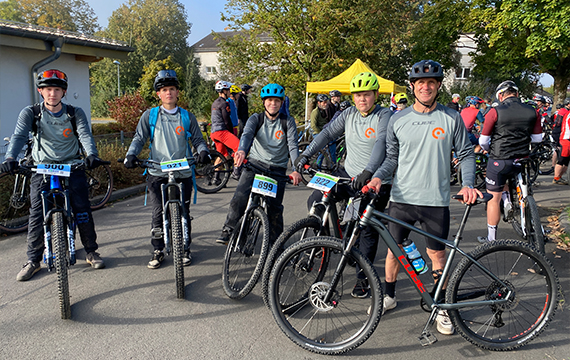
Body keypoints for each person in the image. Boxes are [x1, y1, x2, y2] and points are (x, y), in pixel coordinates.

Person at [367, 60, 479, 336]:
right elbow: (392, 158)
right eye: (421, 83)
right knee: (395, 250)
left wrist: (467, 184)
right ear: (413, 87)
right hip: (402, 199)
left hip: (435, 200)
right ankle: (390, 295)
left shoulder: (450, 117)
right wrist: (379, 176)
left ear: (438, 86)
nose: (426, 87)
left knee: (436, 254)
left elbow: (465, 153)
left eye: (431, 82)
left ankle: (441, 306)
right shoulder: (398, 119)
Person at [1, 69, 107, 281]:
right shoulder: (31, 113)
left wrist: (92, 154)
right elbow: (20, 136)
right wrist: (10, 158)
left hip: (72, 166)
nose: (52, 94)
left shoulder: (74, 113)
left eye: (57, 89)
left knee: (82, 209)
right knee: (36, 215)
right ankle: (33, 260)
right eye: (48, 89)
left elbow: (85, 134)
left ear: (63, 92)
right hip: (42, 167)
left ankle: (91, 251)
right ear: (41, 91)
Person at [295, 72, 393, 299]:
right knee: (316, 198)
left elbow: (381, 142)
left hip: (374, 179)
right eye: (358, 95)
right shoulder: (348, 113)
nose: (362, 99)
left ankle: (362, 277)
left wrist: (369, 172)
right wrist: (306, 154)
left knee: (365, 228)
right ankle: (326, 241)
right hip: (348, 173)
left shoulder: (383, 115)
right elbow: (328, 132)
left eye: (366, 95)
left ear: (375, 95)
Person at [124, 70, 211, 269]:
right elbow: (139, 138)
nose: (168, 93)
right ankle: (158, 249)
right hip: (157, 171)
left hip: (183, 171)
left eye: (172, 89)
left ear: (177, 92)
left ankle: (185, 247)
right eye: (164, 90)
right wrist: (131, 154)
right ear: (158, 94)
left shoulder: (187, 117)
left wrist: (203, 151)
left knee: (183, 212)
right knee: (157, 212)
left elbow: (197, 139)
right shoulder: (151, 115)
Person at [217, 84, 302, 245]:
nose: (273, 104)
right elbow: (247, 134)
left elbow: (293, 146)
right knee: (240, 197)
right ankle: (228, 228)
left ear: (281, 103)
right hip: (255, 164)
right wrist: (242, 151)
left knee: (275, 210)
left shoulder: (288, 122)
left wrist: (296, 169)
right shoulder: (256, 118)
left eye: (277, 101)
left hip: (277, 169)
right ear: (264, 102)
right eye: (270, 100)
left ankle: (276, 246)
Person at [477, 81, 543, 242]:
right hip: (522, 158)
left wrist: (490, 147)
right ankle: (533, 221)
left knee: (493, 198)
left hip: (500, 159)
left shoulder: (495, 111)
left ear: (500, 95)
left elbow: (483, 141)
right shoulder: (533, 111)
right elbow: (537, 138)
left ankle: (491, 238)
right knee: (524, 187)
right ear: (517, 94)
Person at [211, 80, 241, 179]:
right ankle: (236, 172)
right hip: (221, 131)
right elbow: (226, 120)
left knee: (222, 155)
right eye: (228, 90)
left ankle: (216, 178)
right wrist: (231, 132)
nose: (229, 92)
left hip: (214, 132)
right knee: (239, 147)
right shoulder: (224, 103)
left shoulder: (215, 102)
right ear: (224, 91)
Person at [553, 102, 570, 185]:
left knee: (566, 160)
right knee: (562, 159)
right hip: (566, 139)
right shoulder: (568, 114)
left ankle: (559, 177)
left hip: (566, 138)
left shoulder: (567, 113)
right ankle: (556, 178)